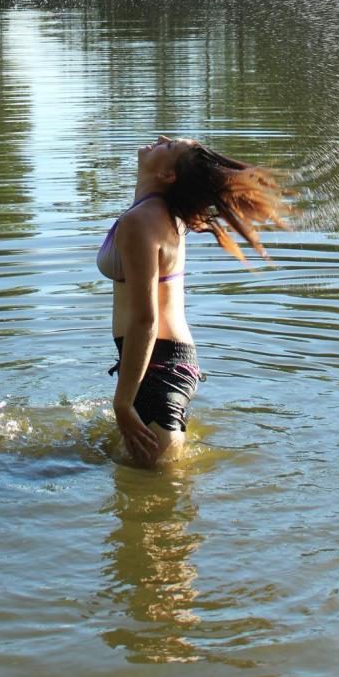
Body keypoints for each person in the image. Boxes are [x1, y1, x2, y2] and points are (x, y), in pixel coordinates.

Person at [98, 134, 292, 467]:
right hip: (163, 363)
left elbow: (145, 320)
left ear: (167, 176)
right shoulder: (157, 212)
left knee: (158, 496)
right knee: (155, 493)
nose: (160, 138)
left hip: (157, 367)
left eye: (169, 146)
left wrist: (122, 404)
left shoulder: (141, 220)